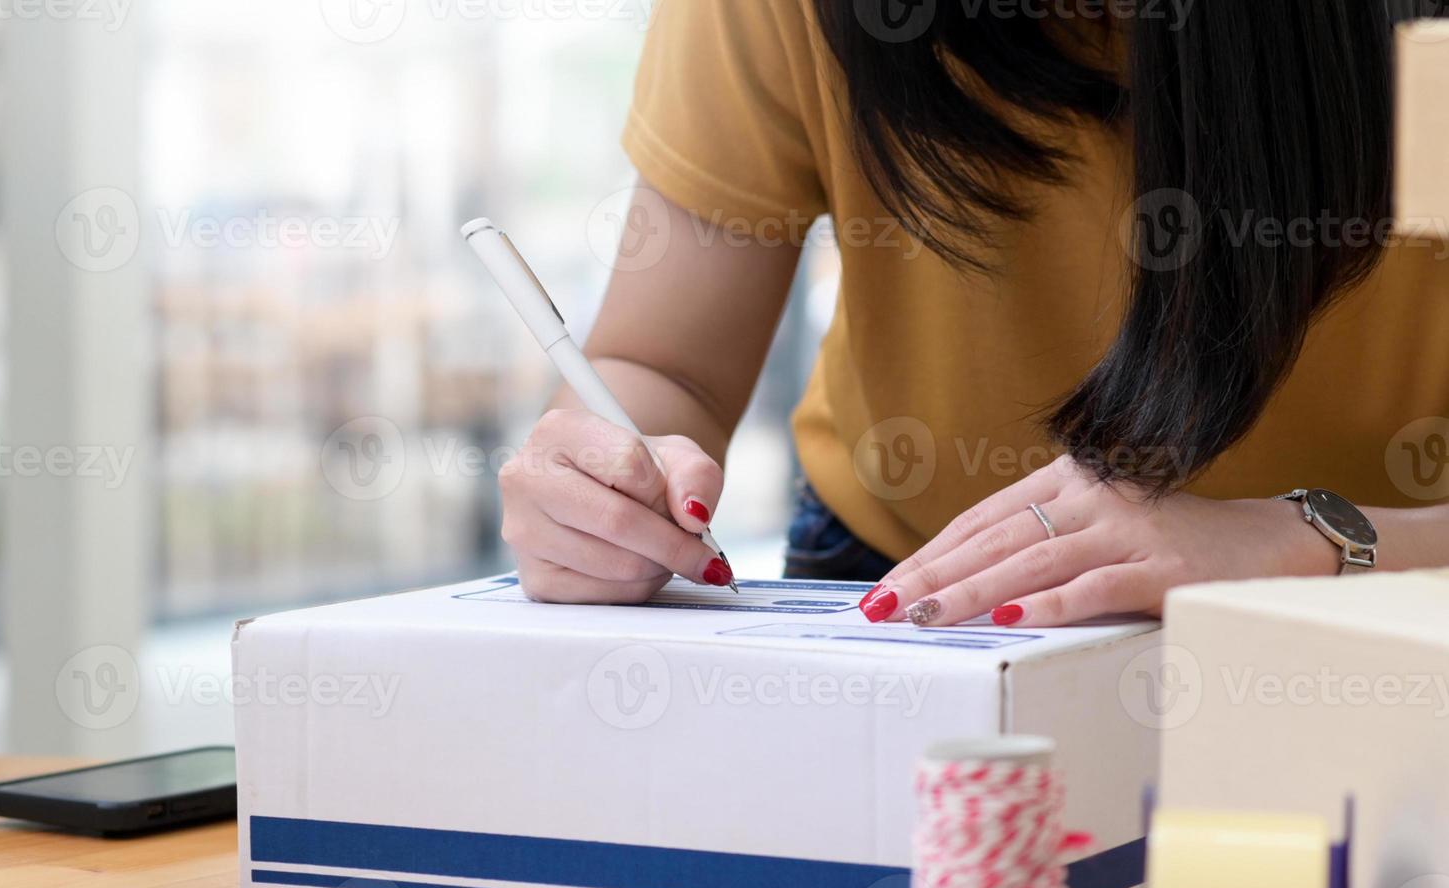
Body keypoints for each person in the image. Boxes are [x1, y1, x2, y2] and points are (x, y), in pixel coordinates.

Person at [498, 0, 1449, 627]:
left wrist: (1300, 543)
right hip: (906, 584)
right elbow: (665, 368)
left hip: (1396, 588)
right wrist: (603, 489)